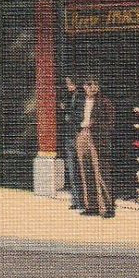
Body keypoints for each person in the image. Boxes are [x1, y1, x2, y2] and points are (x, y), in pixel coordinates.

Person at [75, 74, 118, 217]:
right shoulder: (80, 101)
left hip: (99, 137)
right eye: (88, 84)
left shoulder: (105, 102)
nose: (92, 87)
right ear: (84, 86)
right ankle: (91, 206)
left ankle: (106, 208)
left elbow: (111, 124)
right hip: (83, 135)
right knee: (85, 171)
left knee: (101, 171)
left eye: (94, 84)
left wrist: (95, 124)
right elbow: (72, 117)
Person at [59, 75, 86, 210]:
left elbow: (79, 116)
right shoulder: (70, 96)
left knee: (79, 169)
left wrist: (67, 112)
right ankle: (76, 200)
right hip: (70, 135)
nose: (68, 85)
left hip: (76, 135)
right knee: (72, 169)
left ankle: (82, 201)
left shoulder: (81, 97)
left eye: (69, 83)